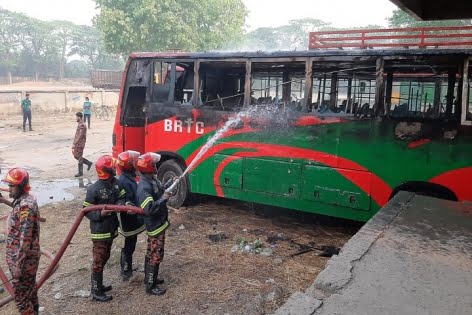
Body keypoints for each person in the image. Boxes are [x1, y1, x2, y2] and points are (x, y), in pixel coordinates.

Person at [83, 155, 125, 302]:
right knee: (98, 260)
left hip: (111, 229)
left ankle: (99, 285)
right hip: (100, 232)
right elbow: (86, 211)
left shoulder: (115, 183)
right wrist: (100, 213)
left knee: (105, 257)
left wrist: (120, 203)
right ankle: (96, 290)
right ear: (107, 170)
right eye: (113, 167)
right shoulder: (93, 189)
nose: (115, 168)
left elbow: (122, 196)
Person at [0, 168, 40, 314]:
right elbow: (19, 210)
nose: (9, 189)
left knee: (22, 299)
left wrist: (18, 265)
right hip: (23, 259)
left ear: (21, 185)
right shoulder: (23, 201)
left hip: (23, 260)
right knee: (30, 291)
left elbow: (25, 238)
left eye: (12, 186)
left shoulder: (26, 206)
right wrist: (5, 201)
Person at [135, 152, 176, 296]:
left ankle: (150, 278)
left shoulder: (151, 180)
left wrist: (168, 185)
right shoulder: (144, 187)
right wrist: (163, 199)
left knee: (152, 252)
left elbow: (159, 191)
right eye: (153, 164)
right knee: (155, 254)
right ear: (147, 167)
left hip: (159, 223)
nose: (155, 166)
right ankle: (150, 286)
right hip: (154, 226)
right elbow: (148, 209)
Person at [116, 150, 146, 281]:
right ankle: (126, 271)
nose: (136, 163)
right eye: (133, 162)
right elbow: (126, 199)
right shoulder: (124, 181)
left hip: (132, 217)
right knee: (129, 244)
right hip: (128, 219)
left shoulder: (129, 177)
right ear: (127, 165)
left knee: (131, 243)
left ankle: (127, 268)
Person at [72, 112, 93, 177]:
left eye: (76, 117)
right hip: (79, 143)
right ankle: (88, 163)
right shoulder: (80, 124)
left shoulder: (82, 125)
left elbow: (80, 136)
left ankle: (80, 172)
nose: (76, 118)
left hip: (80, 143)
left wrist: (74, 143)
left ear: (79, 117)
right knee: (76, 156)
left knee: (78, 156)